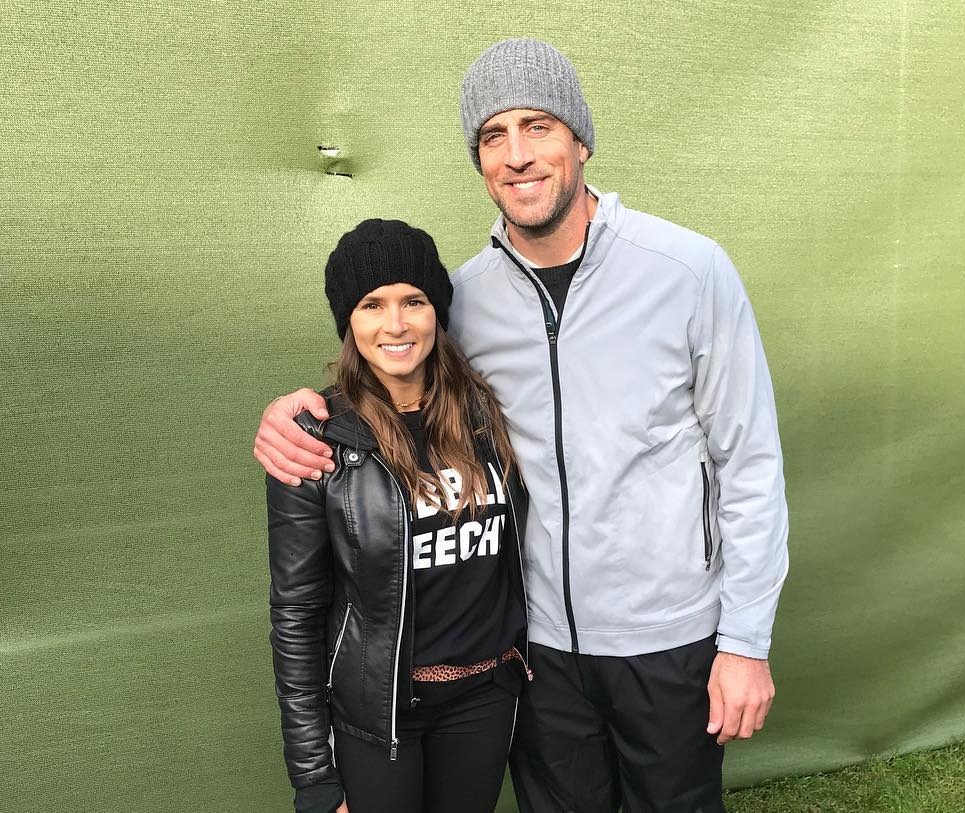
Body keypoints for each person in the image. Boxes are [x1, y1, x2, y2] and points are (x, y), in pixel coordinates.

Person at [256, 39, 789, 813]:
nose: (516, 154)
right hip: (536, 654)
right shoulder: (462, 302)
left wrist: (744, 640)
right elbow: (387, 366)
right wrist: (295, 411)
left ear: (580, 139)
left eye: (537, 126)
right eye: (492, 136)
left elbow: (750, 463)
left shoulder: (689, 271)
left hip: (667, 638)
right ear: (478, 160)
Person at [266, 218, 529, 813]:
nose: (395, 324)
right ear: (348, 321)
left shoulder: (490, 415)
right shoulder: (316, 440)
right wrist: (313, 775)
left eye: (414, 300)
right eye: (371, 304)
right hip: (381, 713)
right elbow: (296, 613)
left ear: (437, 310)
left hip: (485, 698)